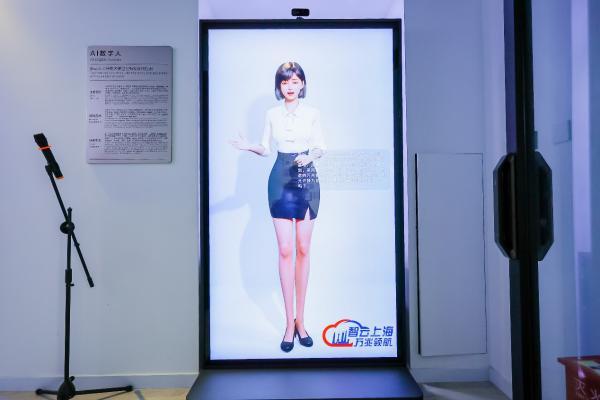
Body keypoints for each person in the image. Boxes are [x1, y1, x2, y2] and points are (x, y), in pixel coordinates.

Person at [230, 61, 326, 352]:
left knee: (303, 249)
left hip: (306, 178)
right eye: (285, 82)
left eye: (295, 81)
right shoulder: (271, 114)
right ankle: (288, 323)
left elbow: (321, 146)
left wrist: (311, 156)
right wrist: (249, 147)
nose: (290, 86)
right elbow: (265, 147)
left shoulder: (312, 113)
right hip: (280, 179)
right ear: (279, 86)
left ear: (302, 84)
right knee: (285, 250)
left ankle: (301, 321)